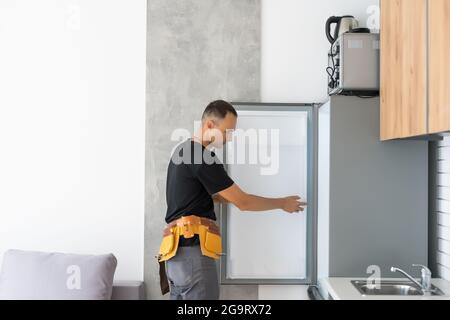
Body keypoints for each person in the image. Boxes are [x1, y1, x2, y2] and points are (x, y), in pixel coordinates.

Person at [160, 100, 307, 300]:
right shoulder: (203, 157)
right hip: (194, 257)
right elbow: (243, 203)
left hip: (174, 257)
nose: (229, 138)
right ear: (210, 125)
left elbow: (204, 196)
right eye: (227, 131)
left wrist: (230, 198)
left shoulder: (182, 151)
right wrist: (281, 203)